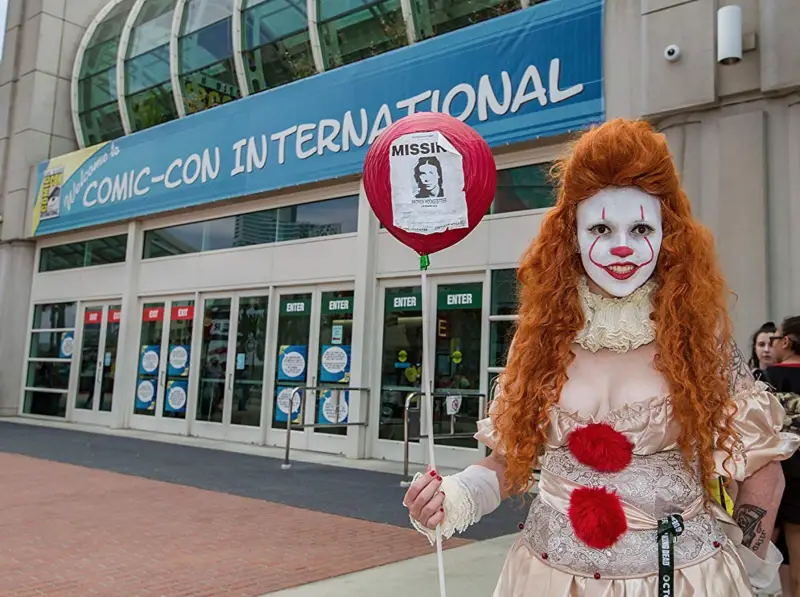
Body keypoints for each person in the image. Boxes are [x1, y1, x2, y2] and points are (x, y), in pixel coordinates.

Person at [403, 119, 799, 596]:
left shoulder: (698, 338)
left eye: (640, 227)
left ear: (666, 234)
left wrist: (746, 571)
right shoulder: (541, 338)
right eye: (601, 227)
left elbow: (763, 472)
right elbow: (507, 463)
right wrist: (455, 496)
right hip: (550, 579)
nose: (622, 247)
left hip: (684, 579)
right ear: (570, 235)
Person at [766, 316, 800, 596]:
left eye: (775, 338)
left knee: (756, 556)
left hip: (770, 473)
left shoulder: (767, 378)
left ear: (786, 342)